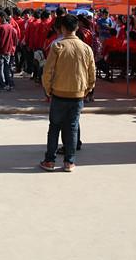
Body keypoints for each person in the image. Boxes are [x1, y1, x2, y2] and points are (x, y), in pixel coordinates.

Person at [39, 15, 95, 172]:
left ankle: (50, 161)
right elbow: (92, 73)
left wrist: (48, 90)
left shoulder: (58, 46)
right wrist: (86, 89)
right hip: (77, 94)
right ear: (77, 27)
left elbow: (47, 72)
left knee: (54, 127)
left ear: (62, 28)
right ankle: (69, 162)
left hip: (59, 93)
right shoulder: (86, 48)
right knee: (72, 128)